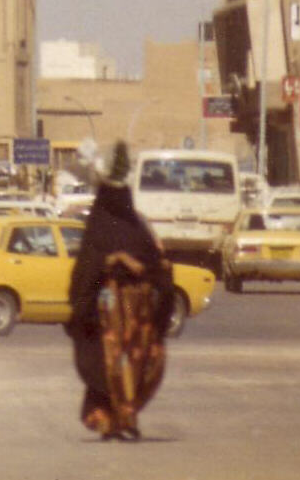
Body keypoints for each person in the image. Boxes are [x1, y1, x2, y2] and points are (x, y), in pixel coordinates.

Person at [66, 140, 174, 441]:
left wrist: (151, 268)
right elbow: (89, 263)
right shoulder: (99, 224)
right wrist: (117, 259)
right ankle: (122, 419)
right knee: (113, 364)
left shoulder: (135, 224)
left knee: (140, 363)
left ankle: (121, 419)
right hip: (109, 312)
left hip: (138, 312)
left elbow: (155, 259)